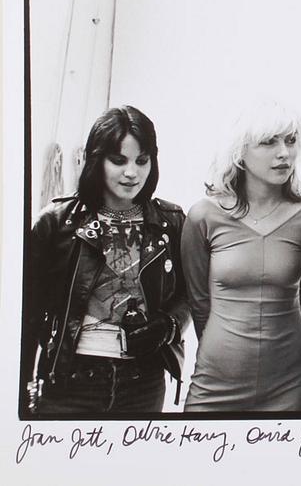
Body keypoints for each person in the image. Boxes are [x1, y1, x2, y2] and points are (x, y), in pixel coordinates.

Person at [22, 105, 189, 415]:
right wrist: (18, 390)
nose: (132, 173)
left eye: (142, 161)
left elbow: (189, 295)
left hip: (145, 382)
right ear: (96, 159)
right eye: (118, 160)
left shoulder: (172, 222)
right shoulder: (55, 223)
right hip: (71, 382)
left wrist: (167, 325)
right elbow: (26, 315)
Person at [182, 100, 301, 411]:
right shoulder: (203, 216)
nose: (284, 153)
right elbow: (198, 303)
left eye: (290, 140)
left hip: (288, 379)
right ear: (239, 152)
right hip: (216, 378)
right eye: (268, 142)